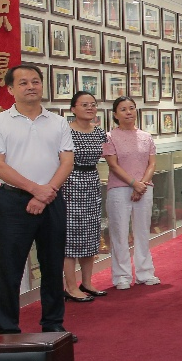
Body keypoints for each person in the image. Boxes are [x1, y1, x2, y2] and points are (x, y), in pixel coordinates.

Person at [0, 63, 75, 339]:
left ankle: (53, 325)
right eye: (23, 83)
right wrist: (36, 190)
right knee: (9, 268)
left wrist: (46, 193)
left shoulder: (58, 122)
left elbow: (67, 162)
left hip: (52, 200)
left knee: (52, 264)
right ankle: (8, 330)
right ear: (11, 89)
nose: (30, 87)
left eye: (35, 81)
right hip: (13, 202)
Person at [103, 97, 160, 290]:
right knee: (119, 232)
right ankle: (122, 276)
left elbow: (152, 163)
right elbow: (113, 165)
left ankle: (145, 272)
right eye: (123, 109)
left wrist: (141, 185)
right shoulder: (110, 137)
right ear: (115, 114)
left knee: (142, 231)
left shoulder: (146, 136)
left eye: (131, 108)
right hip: (119, 188)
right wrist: (134, 184)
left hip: (145, 187)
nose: (128, 112)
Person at [61, 91, 108, 302]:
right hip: (70, 184)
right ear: (73, 109)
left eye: (93, 104)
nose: (90, 108)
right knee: (70, 238)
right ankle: (71, 287)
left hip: (92, 183)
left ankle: (87, 282)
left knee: (90, 235)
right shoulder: (65, 131)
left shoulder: (99, 133)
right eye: (84, 104)